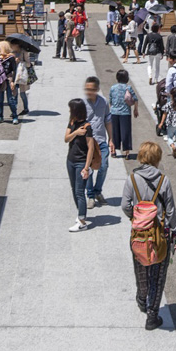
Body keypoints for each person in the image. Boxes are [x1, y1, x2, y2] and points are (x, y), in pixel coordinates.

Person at [122, 141, 176, 330]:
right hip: (160, 235)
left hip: (139, 233)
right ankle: (153, 315)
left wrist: (136, 218)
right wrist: (175, 232)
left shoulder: (132, 179)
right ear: (156, 158)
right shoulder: (164, 180)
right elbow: (170, 211)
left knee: (141, 267)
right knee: (158, 274)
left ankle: (141, 297)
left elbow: (125, 205)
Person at [65, 99, 102, 232]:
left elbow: (91, 149)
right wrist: (75, 133)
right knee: (74, 189)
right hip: (70, 160)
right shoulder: (72, 123)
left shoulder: (87, 127)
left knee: (80, 192)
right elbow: (66, 139)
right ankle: (80, 213)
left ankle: (82, 221)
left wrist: (86, 168)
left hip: (81, 163)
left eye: (71, 109)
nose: (70, 112)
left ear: (76, 110)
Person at [83, 76, 114, 206]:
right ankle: (90, 195)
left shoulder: (103, 102)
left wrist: (111, 139)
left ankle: (97, 191)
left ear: (97, 89)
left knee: (104, 166)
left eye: (92, 89)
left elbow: (108, 120)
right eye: (87, 89)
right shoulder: (83, 104)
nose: (89, 91)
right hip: (87, 141)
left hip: (101, 139)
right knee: (89, 168)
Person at [109, 69, 140, 160]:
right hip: (125, 113)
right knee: (126, 132)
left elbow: (111, 101)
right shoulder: (128, 88)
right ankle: (127, 152)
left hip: (114, 112)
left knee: (115, 132)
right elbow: (136, 99)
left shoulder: (112, 88)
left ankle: (114, 151)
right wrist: (135, 110)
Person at [0, 40, 19, 125]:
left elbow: (15, 70)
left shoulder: (11, 58)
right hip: (0, 80)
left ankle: (15, 116)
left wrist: (13, 82)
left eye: (0, 48)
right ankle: (0, 116)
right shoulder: (0, 58)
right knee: (0, 100)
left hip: (8, 80)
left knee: (10, 100)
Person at [11, 40, 34, 115]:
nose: (11, 46)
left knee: (22, 93)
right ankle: (14, 110)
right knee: (14, 94)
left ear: (17, 45)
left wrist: (20, 61)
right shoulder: (12, 52)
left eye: (13, 45)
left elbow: (28, 64)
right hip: (14, 75)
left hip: (21, 75)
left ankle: (26, 108)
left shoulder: (24, 52)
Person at [142, 20, 166, 84]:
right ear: (158, 29)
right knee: (157, 66)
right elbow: (162, 46)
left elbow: (145, 44)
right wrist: (162, 53)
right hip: (158, 52)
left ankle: (150, 76)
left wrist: (143, 52)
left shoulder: (148, 35)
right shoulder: (159, 36)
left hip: (150, 51)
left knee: (150, 64)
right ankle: (156, 79)